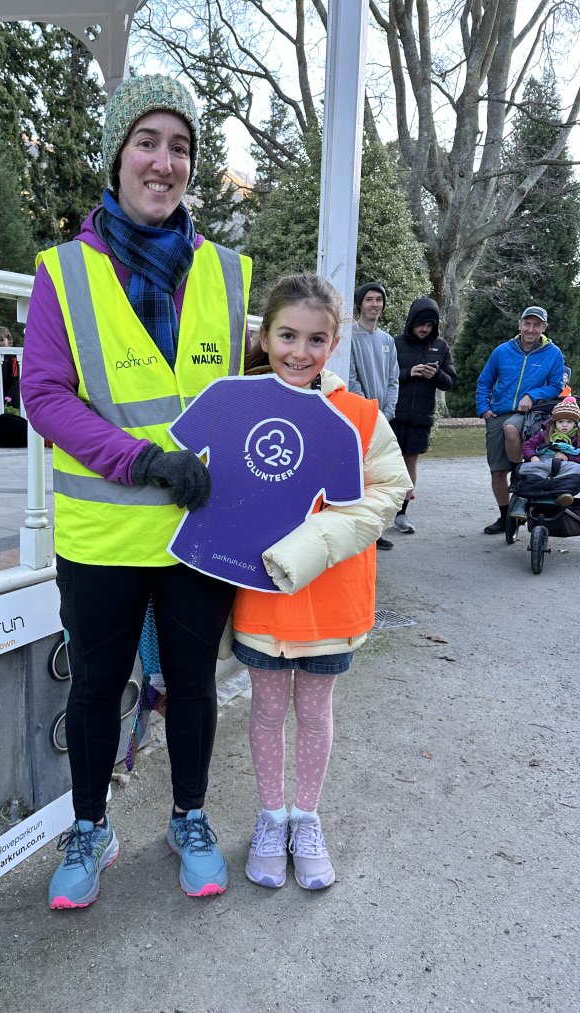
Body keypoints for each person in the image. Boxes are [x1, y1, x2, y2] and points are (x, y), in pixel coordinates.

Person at [21, 74, 252, 909]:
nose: (164, 161)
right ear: (118, 157)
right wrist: (141, 460)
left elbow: (247, 387)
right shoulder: (64, 271)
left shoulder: (228, 275)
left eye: (180, 146)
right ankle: (92, 826)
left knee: (193, 685)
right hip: (104, 534)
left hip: (201, 534)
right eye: (147, 142)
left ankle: (188, 816)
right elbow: (44, 394)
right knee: (94, 688)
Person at [232, 274, 410, 891]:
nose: (300, 352)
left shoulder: (361, 416)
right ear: (266, 336)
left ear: (333, 343)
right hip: (259, 593)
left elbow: (390, 488)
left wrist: (312, 543)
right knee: (267, 707)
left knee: (314, 708)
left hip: (331, 597)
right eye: (287, 336)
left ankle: (306, 818)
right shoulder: (239, 403)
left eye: (315, 339)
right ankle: (270, 816)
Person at [476, 305, 564, 534]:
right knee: (496, 472)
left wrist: (532, 395)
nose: (531, 329)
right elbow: (484, 381)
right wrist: (484, 409)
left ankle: (517, 473)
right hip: (497, 412)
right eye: (527, 323)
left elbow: (556, 386)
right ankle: (506, 518)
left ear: (544, 327)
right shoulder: (502, 351)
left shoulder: (553, 353)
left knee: (510, 429)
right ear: (520, 324)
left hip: (532, 413)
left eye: (537, 325)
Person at [390, 298, 456, 534]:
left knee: (410, 462)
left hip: (421, 417)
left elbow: (450, 382)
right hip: (393, 415)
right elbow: (386, 377)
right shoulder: (395, 343)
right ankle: (379, 514)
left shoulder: (441, 347)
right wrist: (409, 373)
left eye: (429, 325)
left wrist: (435, 375)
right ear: (411, 322)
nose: (424, 329)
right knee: (386, 464)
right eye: (420, 324)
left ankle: (402, 515)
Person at [349, 281, 399, 548]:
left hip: (383, 421)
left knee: (378, 478)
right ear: (361, 303)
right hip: (360, 419)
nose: (374, 304)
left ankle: (375, 532)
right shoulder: (351, 336)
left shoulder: (387, 341)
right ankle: (358, 531)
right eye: (369, 299)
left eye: (379, 299)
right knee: (358, 475)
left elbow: (394, 380)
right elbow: (351, 378)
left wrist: (387, 412)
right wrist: (367, 411)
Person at [0, 326, 20, 409]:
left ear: (8, 340)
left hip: (11, 397)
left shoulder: (13, 357)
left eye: (2, 340)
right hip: (0, 395)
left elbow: (16, 379)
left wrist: (8, 399)